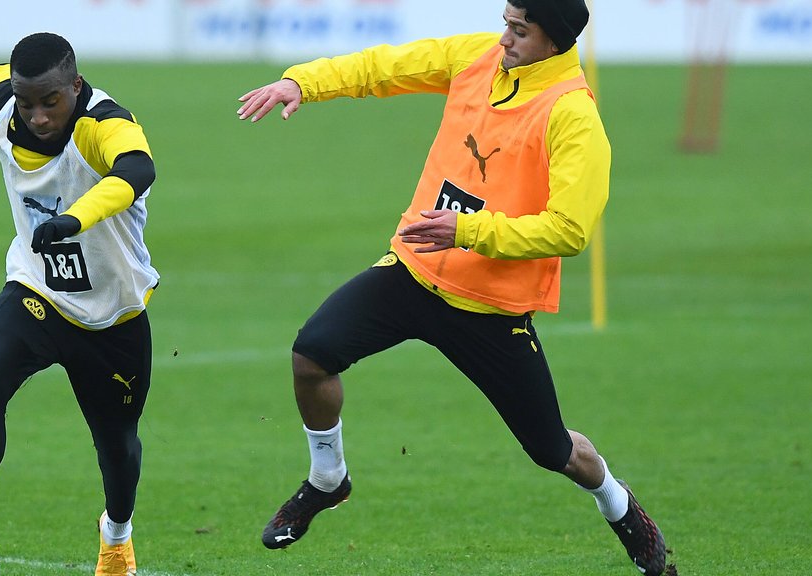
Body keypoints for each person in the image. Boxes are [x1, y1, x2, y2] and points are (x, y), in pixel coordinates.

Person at [236, 1, 676, 574]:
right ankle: (328, 479)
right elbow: (384, 66)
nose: (505, 37)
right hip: (413, 273)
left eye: (520, 30)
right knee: (312, 355)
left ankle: (619, 506)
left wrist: (467, 230)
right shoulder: (479, 56)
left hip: (491, 309)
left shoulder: (572, 115)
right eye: (506, 23)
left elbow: (570, 229)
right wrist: (303, 82)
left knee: (554, 452)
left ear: (554, 41)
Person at [0, 32, 159, 576]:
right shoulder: (7, 105)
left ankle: (116, 533)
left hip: (112, 313)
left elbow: (138, 171)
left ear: (74, 85)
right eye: (28, 103)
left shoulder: (106, 123)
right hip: (38, 291)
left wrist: (74, 219)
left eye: (51, 101)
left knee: (117, 445)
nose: (39, 116)